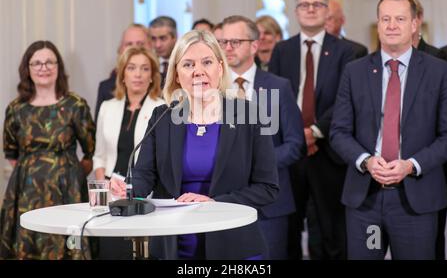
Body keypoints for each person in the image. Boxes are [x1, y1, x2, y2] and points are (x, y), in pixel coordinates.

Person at [111, 30, 279, 260]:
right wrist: (127, 188)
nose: (198, 71)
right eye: (188, 64)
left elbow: (267, 188)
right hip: (175, 245)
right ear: (177, 75)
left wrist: (215, 202)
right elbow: (144, 176)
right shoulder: (163, 118)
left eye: (207, 62)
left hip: (234, 245)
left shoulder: (249, 115)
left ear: (220, 68)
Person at [330, 0, 447, 260]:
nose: (392, 25)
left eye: (400, 19)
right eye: (386, 19)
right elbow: (338, 131)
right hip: (364, 197)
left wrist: (411, 165)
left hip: (416, 199)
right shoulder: (355, 71)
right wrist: (365, 160)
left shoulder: (440, 72)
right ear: (378, 23)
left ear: (414, 24)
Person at [269, 0, 354, 260]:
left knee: (330, 229)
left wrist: (315, 132)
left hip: (329, 151)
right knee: (289, 226)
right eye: (304, 5)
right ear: (295, 12)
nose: (310, 9)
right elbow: (274, 99)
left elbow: (345, 101)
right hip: (290, 153)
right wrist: (297, 135)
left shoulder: (348, 51)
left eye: (317, 5)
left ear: (327, 11)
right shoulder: (281, 51)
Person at [0, 40, 96, 259]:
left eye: (49, 62)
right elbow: (11, 153)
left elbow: (91, 151)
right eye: (36, 63)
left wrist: (70, 175)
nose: (43, 68)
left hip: (67, 192)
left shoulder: (76, 105)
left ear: (59, 67)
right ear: (27, 69)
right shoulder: (16, 109)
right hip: (26, 192)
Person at [221, 15, 304, 259]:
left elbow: (294, 144)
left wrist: (256, 165)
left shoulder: (277, 87)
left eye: (235, 41)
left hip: (270, 204)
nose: (227, 48)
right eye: (223, 41)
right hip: (221, 201)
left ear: (254, 46)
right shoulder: (212, 90)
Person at [93, 46, 164, 259]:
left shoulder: (163, 108)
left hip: (144, 195)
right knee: (112, 253)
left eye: (145, 69)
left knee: (142, 253)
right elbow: (99, 156)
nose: (138, 74)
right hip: (110, 194)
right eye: (132, 68)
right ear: (122, 74)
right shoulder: (107, 107)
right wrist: (103, 189)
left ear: (152, 76)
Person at [409, 0, 447, 260]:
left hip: (435, 161)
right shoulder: (374, 63)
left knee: (434, 236)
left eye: (402, 18)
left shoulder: (439, 58)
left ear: (417, 21)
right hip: (393, 164)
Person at [95, 23, 152, 120]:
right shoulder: (106, 88)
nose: (134, 48)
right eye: (129, 44)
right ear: (120, 50)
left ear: (151, 47)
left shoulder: (166, 86)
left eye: (140, 44)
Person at [149, 16, 178, 81]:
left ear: (175, 37)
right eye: (153, 39)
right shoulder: (148, 64)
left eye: (163, 38)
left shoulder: (185, 62)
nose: (157, 45)